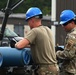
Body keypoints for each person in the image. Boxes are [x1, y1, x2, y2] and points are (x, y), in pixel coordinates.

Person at [15, 7, 59, 75]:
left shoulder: (34, 31)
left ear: (32, 20)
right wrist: (30, 45)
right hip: (55, 67)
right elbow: (40, 45)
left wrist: (15, 44)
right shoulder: (48, 29)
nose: (28, 24)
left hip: (45, 69)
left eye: (28, 21)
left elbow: (19, 45)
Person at [56, 10, 76, 75]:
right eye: (62, 24)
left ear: (72, 22)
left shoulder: (72, 35)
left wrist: (57, 53)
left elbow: (68, 54)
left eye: (65, 24)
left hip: (70, 71)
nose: (63, 26)